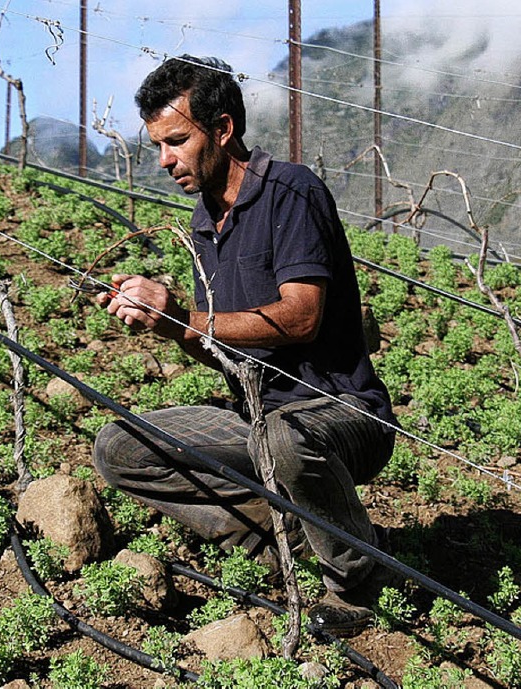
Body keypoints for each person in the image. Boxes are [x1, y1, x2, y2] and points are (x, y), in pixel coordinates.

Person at [93, 55, 398, 635]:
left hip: (342, 414)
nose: (165, 160)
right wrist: (169, 326)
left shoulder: (291, 191)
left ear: (224, 129)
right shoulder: (205, 221)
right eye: (158, 145)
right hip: (258, 416)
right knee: (120, 447)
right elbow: (221, 345)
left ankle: (358, 582)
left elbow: (301, 318)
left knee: (283, 437)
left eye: (177, 141)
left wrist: (185, 313)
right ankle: (266, 532)